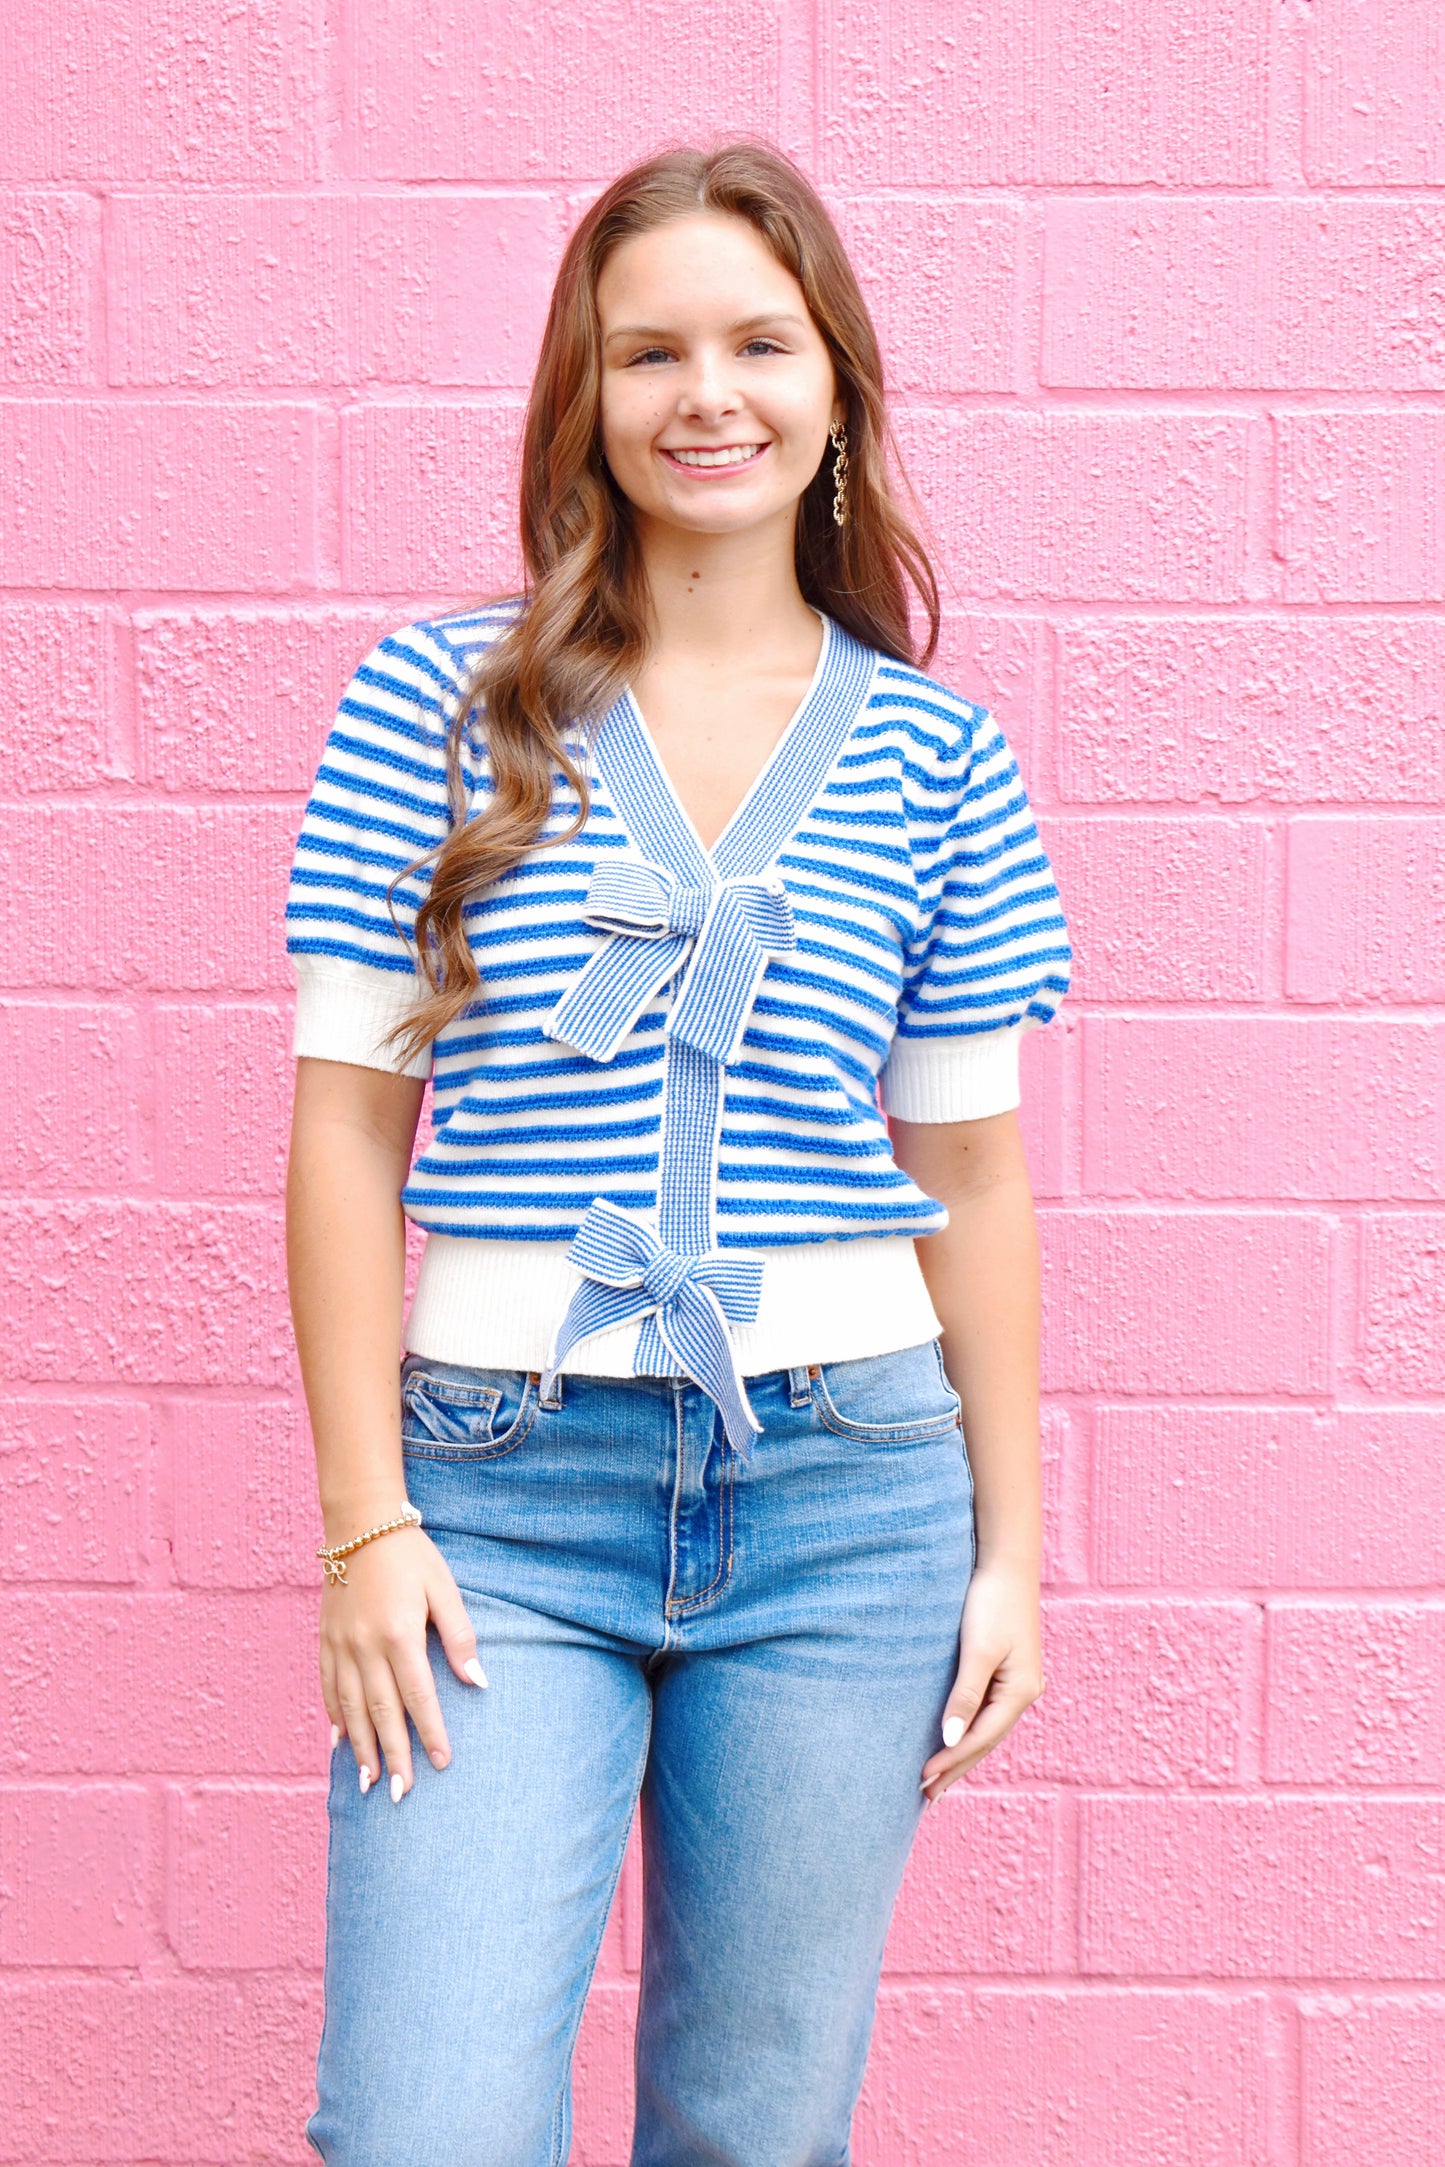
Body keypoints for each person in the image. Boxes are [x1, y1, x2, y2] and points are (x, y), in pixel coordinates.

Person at [284, 137, 1071, 2167]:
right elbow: (348, 1128)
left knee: (749, 2127)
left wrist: (1007, 1547)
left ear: (834, 391)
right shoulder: (431, 709)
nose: (705, 392)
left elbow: (973, 1178)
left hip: (849, 1497)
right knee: (421, 2125)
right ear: (587, 397)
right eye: (649, 352)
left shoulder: (937, 755)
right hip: (491, 1499)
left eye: (756, 341)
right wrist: (367, 1521)